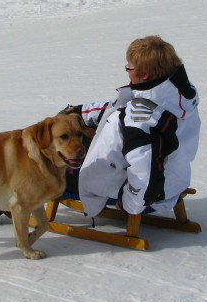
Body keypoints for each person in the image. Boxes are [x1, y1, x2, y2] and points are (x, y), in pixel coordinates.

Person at [65, 35, 200, 217]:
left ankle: (17, 200)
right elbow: (117, 108)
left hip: (134, 189)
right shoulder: (174, 95)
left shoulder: (141, 118)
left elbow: (143, 170)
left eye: (129, 68)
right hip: (175, 178)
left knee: (49, 163)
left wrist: (129, 204)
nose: (127, 71)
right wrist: (78, 111)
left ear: (144, 74)